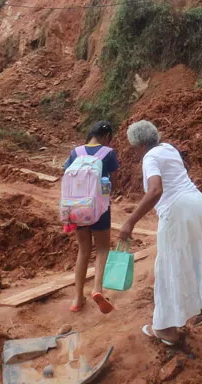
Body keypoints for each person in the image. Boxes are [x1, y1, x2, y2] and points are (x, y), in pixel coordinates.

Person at [119, 120, 202, 345]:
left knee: (168, 266)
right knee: (194, 256)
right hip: (196, 203)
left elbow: (156, 189)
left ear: (139, 145)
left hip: (177, 210)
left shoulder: (149, 157)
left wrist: (130, 222)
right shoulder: (169, 149)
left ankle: (165, 329)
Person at [64, 120, 119, 313]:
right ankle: (97, 289)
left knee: (83, 250)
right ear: (106, 136)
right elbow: (113, 180)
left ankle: (77, 299)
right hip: (100, 209)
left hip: (78, 208)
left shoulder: (75, 152)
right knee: (103, 248)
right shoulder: (108, 153)